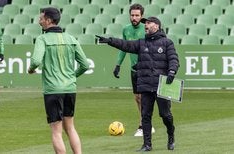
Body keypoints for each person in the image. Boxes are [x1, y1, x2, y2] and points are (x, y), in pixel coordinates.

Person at [96, 16, 179, 151]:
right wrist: (110, 41)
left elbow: (174, 59)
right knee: (145, 116)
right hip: (146, 84)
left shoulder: (167, 43)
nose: (145, 25)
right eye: (145, 23)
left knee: (165, 115)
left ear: (157, 26)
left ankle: (171, 136)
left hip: (161, 85)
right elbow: (125, 45)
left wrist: (172, 72)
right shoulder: (141, 43)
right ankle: (147, 145)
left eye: (148, 23)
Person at [28, 7, 89, 154]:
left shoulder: (42, 39)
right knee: (70, 127)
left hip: (53, 90)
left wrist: (31, 69)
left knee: (56, 131)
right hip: (70, 89)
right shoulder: (71, 38)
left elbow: (36, 60)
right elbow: (85, 65)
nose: (39, 21)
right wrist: (72, 77)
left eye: (41, 18)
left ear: (48, 21)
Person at [113, 3, 155, 137]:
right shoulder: (126, 30)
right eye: (132, 15)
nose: (134, 18)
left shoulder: (147, 29)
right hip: (134, 68)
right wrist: (118, 64)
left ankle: (143, 125)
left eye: (137, 15)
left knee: (144, 97)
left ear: (142, 16)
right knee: (137, 97)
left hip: (147, 68)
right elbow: (124, 48)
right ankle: (147, 123)